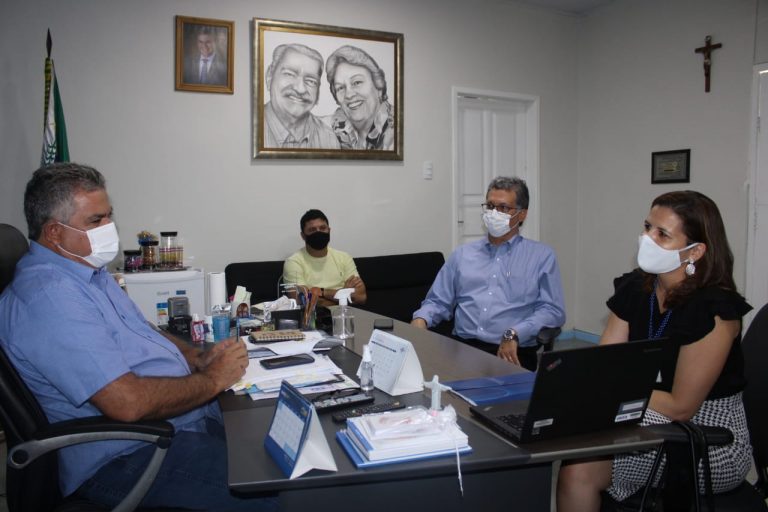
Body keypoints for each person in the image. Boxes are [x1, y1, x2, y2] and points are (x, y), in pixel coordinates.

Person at [0, 163, 274, 512]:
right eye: (95, 220)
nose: (108, 228)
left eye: (109, 216)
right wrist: (213, 379)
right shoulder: (50, 297)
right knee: (282, 494)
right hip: (130, 454)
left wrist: (196, 358)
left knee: (277, 449)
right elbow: (127, 403)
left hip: (175, 425)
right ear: (54, 232)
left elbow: (144, 331)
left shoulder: (89, 273)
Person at [556, 191, 753, 511]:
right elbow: (604, 364)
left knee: (582, 459)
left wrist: (618, 389)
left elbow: (681, 407)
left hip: (706, 438)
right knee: (576, 462)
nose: (647, 239)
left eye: (663, 234)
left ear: (695, 251)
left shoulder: (714, 310)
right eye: (648, 227)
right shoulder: (636, 288)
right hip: (645, 410)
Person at [411, 176, 565, 371]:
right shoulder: (462, 255)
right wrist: (421, 319)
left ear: (522, 214)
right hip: (463, 349)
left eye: (503, 208)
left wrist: (515, 333)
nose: (494, 213)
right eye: (490, 206)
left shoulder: (541, 256)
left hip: (512, 352)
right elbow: (438, 301)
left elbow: (553, 311)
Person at [283, 209, 366, 306]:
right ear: (303, 236)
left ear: (329, 230)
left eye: (322, 228)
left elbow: (361, 297)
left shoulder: (344, 258)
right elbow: (302, 302)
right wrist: (342, 295)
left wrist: (321, 292)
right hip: (315, 316)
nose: (318, 232)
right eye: (312, 230)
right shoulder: (293, 262)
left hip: (345, 314)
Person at [263, 44, 339, 149]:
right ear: (269, 76)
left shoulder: (329, 138)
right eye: (290, 74)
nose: (300, 89)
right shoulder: (247, 126)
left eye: (311, 81)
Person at [325, 45, 394, 150]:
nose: (348, 95)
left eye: (357, 82)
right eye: (340, 88)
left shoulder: (396, 132)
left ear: (378, 86)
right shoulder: (336, 124)